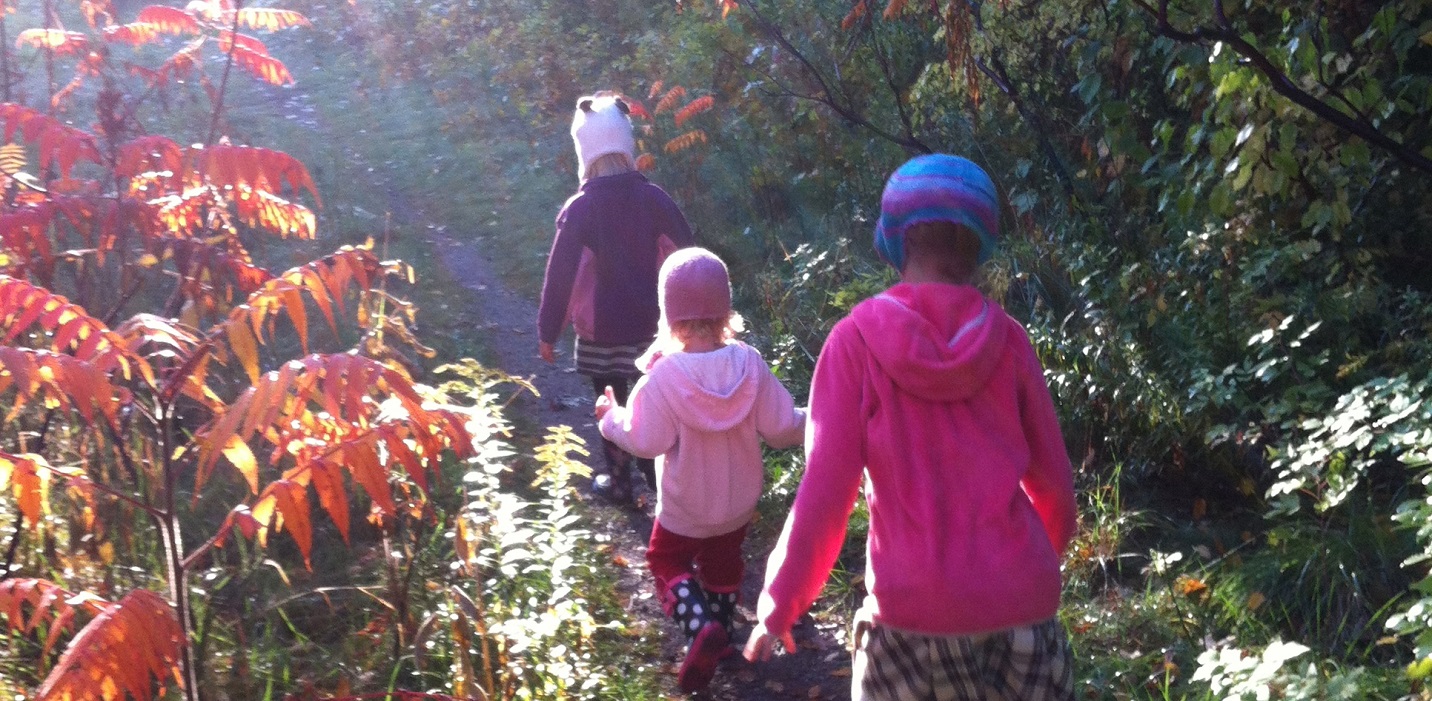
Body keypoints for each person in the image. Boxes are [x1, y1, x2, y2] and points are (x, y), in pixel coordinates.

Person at [743, 154, 1078, 700]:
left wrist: (780, 604)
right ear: (978, 247)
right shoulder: (1011, 341)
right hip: (1023, 617)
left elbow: (825, 498)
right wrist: (1029, 569)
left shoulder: (853, 344)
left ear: (896, 240)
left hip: (909, 623)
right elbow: (1055, 487)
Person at [594, 247, 806, 693]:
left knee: (665, 560)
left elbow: (644, 439)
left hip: (685, 509)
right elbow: (784, 427)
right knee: (724, 561)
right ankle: (723, 634)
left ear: (669, 317)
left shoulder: (665, 377)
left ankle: (702, 629)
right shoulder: (749, 364)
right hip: (737, 505)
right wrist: (823, 414)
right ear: (725, 311)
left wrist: (611, 420)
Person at [537, 91, 694, 504]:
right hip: (652, 330)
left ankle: (621, 482)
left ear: (583, 152)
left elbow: (561, 275)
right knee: (654, 405)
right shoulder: (655, 200)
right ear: (627, 146)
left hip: (600, 333)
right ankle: (660, 479)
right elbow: (690, 257)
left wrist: (548, 330)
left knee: (611, 405)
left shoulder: (580, 209)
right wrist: (700, 317)